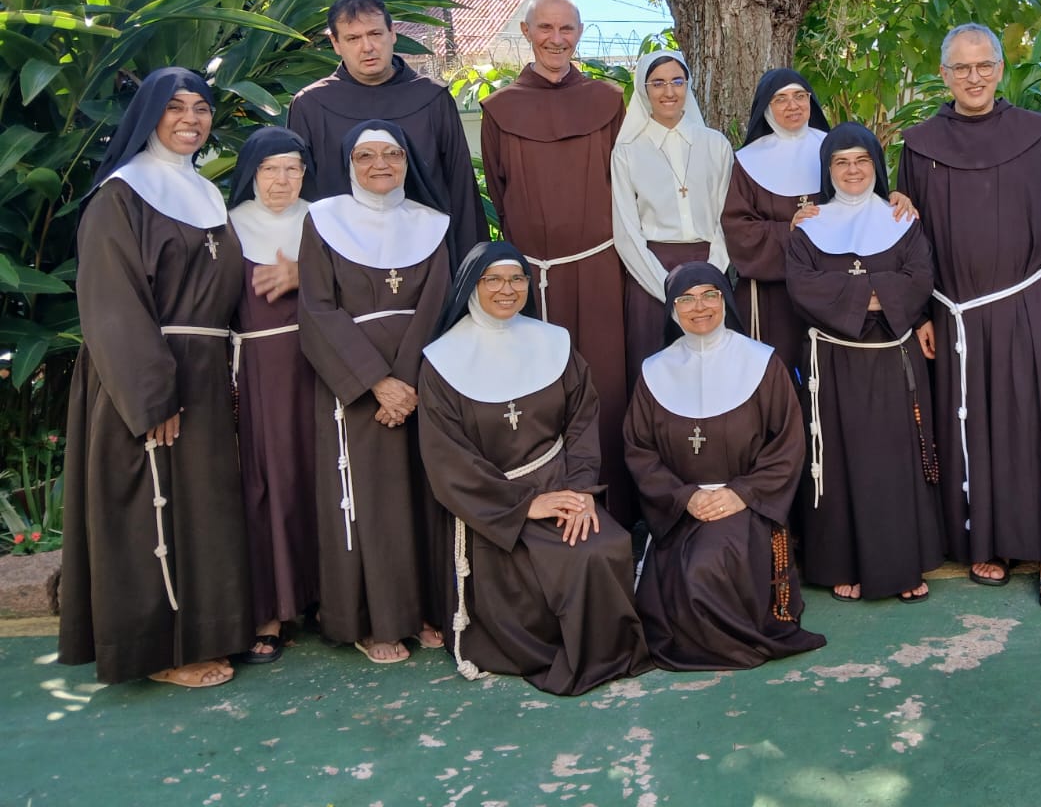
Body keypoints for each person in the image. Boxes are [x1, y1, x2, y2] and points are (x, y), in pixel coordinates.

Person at [58, 68, 252, 688]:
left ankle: (208, 632)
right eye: (175, 108)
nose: (191, 119)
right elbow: (111, 304)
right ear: (148, 116)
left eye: (201, 108)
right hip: (144, 380)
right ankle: (159, 651)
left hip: (203, 375)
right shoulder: (121, 194)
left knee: (202, 511)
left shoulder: (204, 193)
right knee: (152, 514)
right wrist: (150, 396)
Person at [898, 23, 1041, 608]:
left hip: (1028, 304)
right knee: (971, 427)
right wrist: (923, 312)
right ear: (944, 74)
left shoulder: (1036, 134)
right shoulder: (920, 144)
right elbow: (912, 240)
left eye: (984, 65)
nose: (973, 77)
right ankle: (990, 540)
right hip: (954, 312)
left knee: (1035, 425)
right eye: (961, 68)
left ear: (1001, 69)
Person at [417, 242, 653, 693]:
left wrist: (581, 491)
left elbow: (583, 421)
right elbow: (447, 458)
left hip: (562, 484)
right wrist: (525, 506)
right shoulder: (442, 362)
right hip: (494, 506)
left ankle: (608, 650)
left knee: (605, 545)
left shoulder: (553, 343)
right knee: (553, 561)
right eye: (494, 280)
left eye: (516, 279)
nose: (507, 290)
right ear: (472, 287)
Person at [298, 121, 452, 663]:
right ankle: (376, 622)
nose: (380, 164)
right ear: (348, 164)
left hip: (422, 380)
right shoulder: (323, 220)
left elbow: (438, 306)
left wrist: (407, 383)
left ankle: (427, 608)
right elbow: (316, 308)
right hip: (355, 385)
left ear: (408, 162)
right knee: (370, 502)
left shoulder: (433, 224)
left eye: (391, 154)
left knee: (425, 497)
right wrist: (376, 383)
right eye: (366, 156)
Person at [479, 0, 633, 524]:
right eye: (545, 28)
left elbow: (625, 183)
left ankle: (613, 508)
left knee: (607, 383)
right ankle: (544, 506)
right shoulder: (500, 109)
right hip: (533, 279)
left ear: (580, 33)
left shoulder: (608, 100)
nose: (556, 39)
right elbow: (501, 191)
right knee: (538, 392)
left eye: (566, 29)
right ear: (526, 32)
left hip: (599, 271)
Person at [625, 262, 826, 669]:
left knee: (705, 570)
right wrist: (685, 498)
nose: (699, 307)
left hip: (746, 506)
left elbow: (787, 444)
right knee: (661, 595)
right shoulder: (654, 372)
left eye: (709, 295)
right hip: (680, 509)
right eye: (686, 299)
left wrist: (741, 494)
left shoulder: (762, 363)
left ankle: (721, 646)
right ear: (672, 308)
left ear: (724, 299)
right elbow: (639, 451)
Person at [786, 124, 943, 603]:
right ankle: (842, 563)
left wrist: (863, 296)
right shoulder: (808, 226)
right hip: (834, 363)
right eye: (841, 162)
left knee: (896, 460)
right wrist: (875, 293)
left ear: (876, 166)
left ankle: (902, 564)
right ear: (828, 170)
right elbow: (801, 286)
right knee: (838, 462)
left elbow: (920, 276)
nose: (853, 171)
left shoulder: (902, 219)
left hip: (894, 359)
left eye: (862, 161)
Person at [288, 0, 486, 266]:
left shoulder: (432, 98)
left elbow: (461, 189)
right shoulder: (310, 105)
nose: (367, 47)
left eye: (375, 34)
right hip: (341, 266)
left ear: (393, 34)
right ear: (335, 43)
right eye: (353, 38)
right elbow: (301, 199)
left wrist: (470, 270)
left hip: (429, 264)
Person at [228, 126, 319, 665]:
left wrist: (304, 273)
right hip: (258, 370)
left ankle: (325, 597)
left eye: (293, 169)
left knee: (321, 478)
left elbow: (356, 285)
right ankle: (273, 608)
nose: (282, 180)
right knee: (268, 483)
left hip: (318, 364)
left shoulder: (325, 221)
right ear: (252, 174)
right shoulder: (228, 225)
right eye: (270, 169)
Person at [612, 51, 733, 396]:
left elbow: (728, 218)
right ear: (643, 89)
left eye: (677, 81)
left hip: (709, 269)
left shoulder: (715, 145)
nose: (669, 91)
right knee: (657, 372)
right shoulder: (627, 152)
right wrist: (667, 288)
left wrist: (712, 277)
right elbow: (626, 232)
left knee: (710, 374)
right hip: (651, 277)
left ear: (687, 86)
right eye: (658, 83)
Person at [722, 68, 831, 379]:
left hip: (829, 287)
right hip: (770, 297)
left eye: (800, 96)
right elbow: (738, 230)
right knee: (775, 375)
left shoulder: (835, 151)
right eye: (780, 99)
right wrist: (789, 231)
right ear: (766, 108)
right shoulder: (747, 161)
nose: (793, 106)